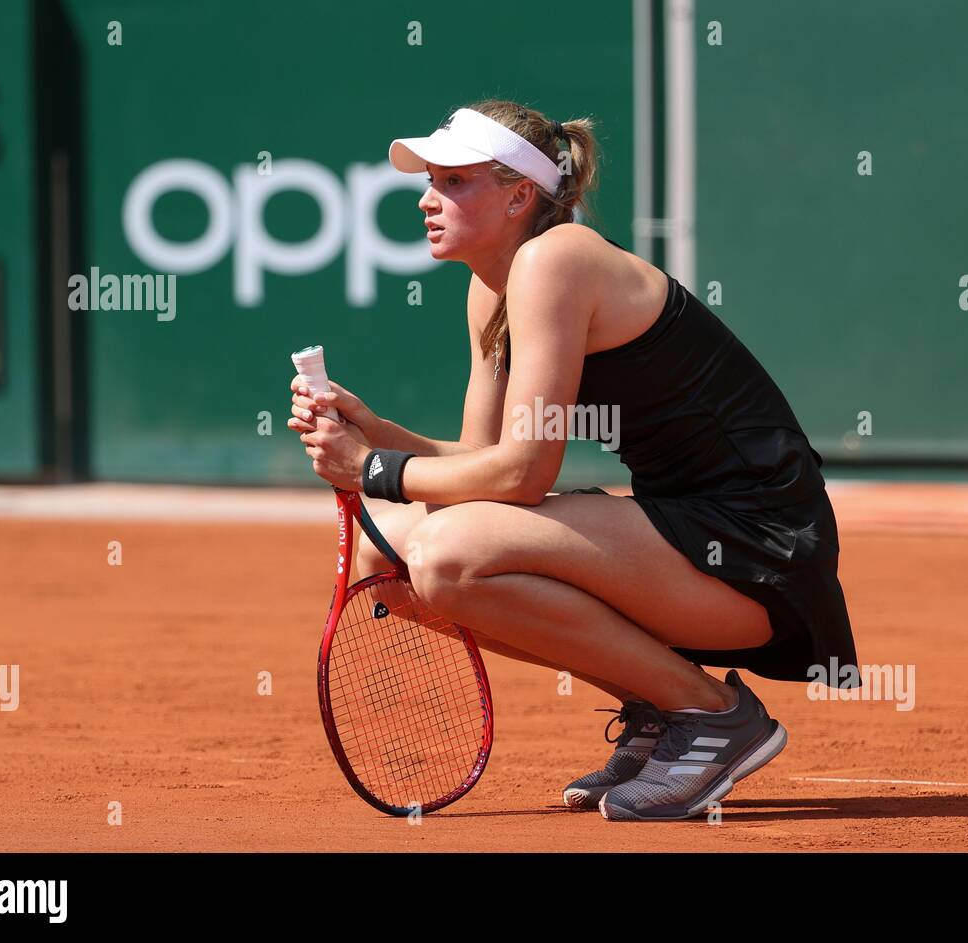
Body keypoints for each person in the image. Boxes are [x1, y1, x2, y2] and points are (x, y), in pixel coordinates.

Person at [288, 100, 858, 821]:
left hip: (756, 554)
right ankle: (660, 708)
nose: (430, 200)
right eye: (430, 181)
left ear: (520, 194)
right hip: (678, 549)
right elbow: (479, 464)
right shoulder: (491, 290)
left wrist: (370, 467)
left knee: (446, 556)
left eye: (455, 181)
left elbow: (524, 475)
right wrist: (375, 434)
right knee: (389, 567)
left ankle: (712, 713)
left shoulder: (557, 260)